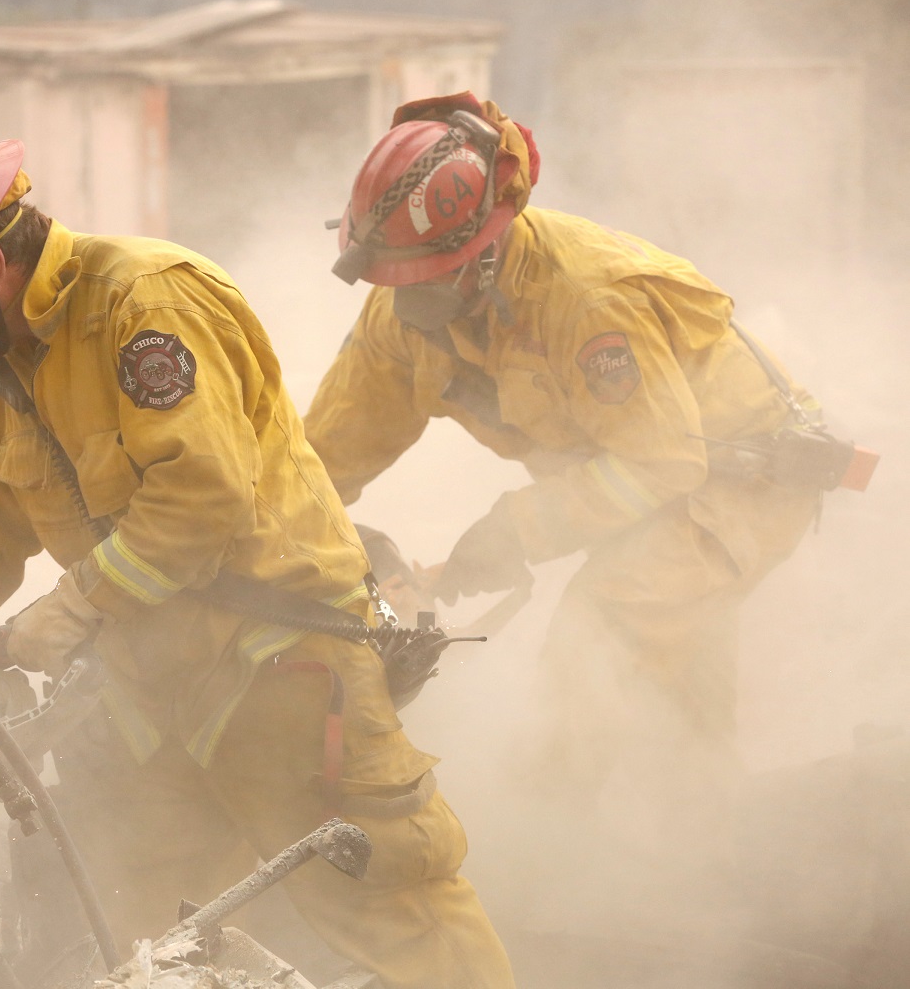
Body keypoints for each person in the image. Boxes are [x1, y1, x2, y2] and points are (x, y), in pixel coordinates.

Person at [0, 133, 514, 989]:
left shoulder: (144, 305)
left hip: (282, 673)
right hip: (151, 703)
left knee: (393, 905)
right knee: (142, 932)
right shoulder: (0, 363)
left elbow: (205, 498)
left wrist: (72, 609)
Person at [303, 92, 829, 830]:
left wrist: (516, 530)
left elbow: (660, 464)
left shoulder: (587, 300)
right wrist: (269, 535)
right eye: (390, 281)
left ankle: (547, 839)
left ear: (484, 251)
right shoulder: (406, 308)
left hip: (740, 481)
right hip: (651, 483)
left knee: (602, 632)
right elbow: (325, 453)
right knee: (683, 703)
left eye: (422, 279)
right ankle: (715, 842)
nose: (403, 303)